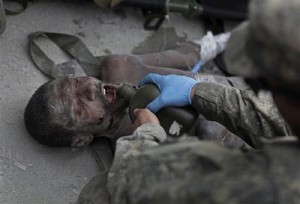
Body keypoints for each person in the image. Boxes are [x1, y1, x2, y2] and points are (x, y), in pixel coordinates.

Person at [77, 0, 299, 203]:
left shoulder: (276, 185)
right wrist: (196, 91)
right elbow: (279, 119)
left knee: (100, 194)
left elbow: (135, 182)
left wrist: (145, 138)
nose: (86, 89)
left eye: (258, 83)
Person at [25, 32, 274, 149]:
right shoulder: (137, 156)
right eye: (79, 108)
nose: (90, 88)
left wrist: (221, 41)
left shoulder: (121, 71)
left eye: (78, 81)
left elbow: (188, 55)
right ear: (81, 139)